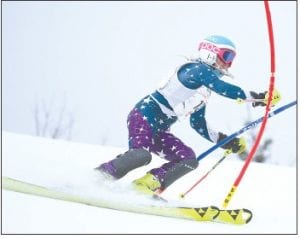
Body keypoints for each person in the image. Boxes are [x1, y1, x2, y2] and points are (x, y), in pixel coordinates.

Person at [95, 35, 281, 196]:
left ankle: (145, 185)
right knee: (141, 156)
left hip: (160, 128)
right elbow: (223, 88)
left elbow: (198, 123)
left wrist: (225, 141)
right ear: (210, 51)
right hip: (144, 116)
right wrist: (257, 98)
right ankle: (99, 177)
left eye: (231, 58)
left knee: (188, 159)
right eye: (227, 55)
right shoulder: (194, 69)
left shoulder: (203, 90)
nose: (228, 63)